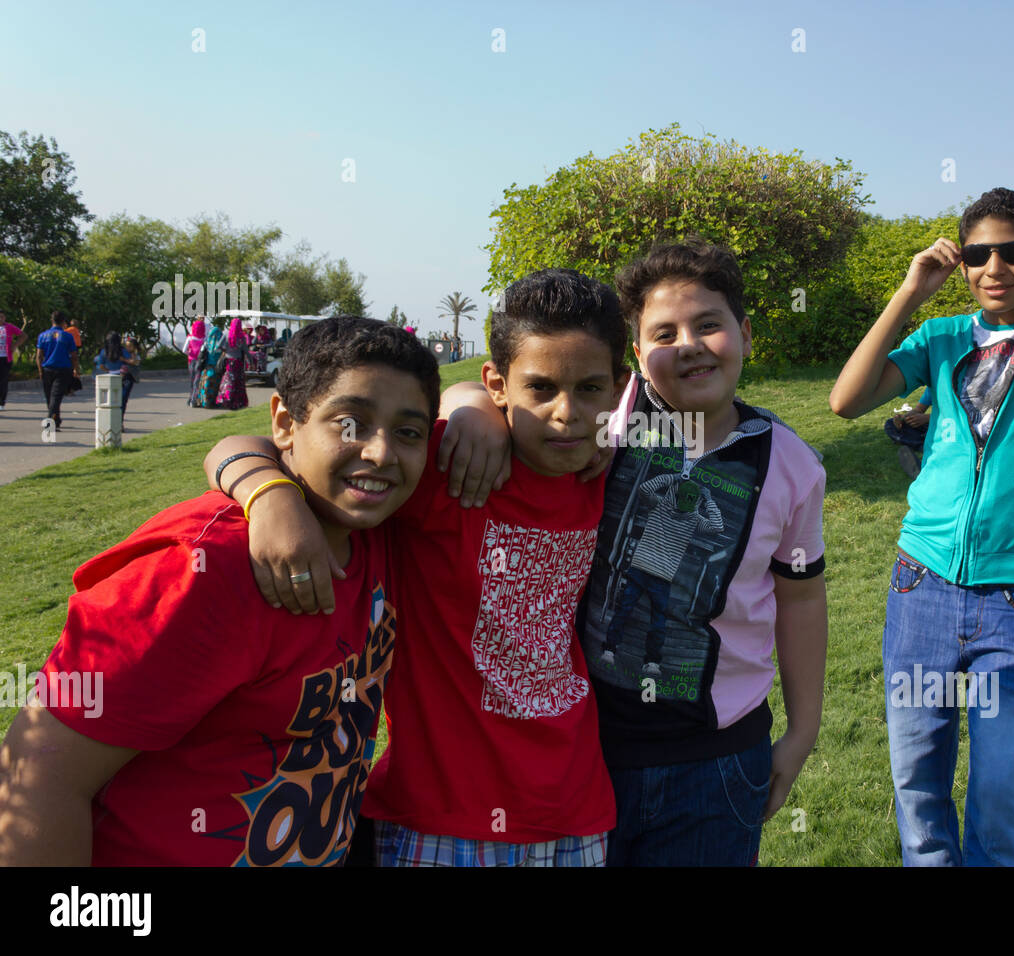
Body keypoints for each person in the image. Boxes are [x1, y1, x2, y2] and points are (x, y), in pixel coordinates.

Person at [201, 269, 626, 867]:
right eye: (540, 388)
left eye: (588, 389)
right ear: (498, 384)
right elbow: (241, 446)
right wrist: (269, 496)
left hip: (576, 812)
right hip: (438, 819)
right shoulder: (450, 467)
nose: (566, 413)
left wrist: (471, 402)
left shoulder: (608, 474)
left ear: (618, 387)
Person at [440, 241, 829, 866]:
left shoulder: (792, 465)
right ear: (638, 358)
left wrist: (802, 731)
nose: (689, 345)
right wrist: (474, 411)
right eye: (663, 333)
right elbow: (514, 389)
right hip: (588, 750)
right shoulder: (604, 415)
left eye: (709, 324)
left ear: (746, 333)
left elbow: (803, 595)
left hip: (720, 758)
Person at [0, 316, 439, 865]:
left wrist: (264, 482)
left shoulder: (381, 531)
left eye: (408, 432)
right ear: (285, 421)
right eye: (349, 424)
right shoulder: (201, 569)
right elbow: (37, 778)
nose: (379, 453)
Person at [829, 187, 1014, 867]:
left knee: (1001, 790)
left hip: (1013, 602)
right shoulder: (940, 339)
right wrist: (910, 293)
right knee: (917, 779)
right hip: (920, 589)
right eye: (977, 254)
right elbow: (845, 399)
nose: (995, 267)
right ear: (960, 263)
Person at [36, 310, 80, 429]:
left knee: (50, 396)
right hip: (63, 370)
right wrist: (76, 369)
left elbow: (39, 356)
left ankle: (53, 418)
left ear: (52, 320)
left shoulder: (43, 335)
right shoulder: (67, 336)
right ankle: (52, 419)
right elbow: (74, 356)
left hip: (47, 369)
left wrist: (40, 370)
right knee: (55, 396)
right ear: (63, 322)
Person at [885, 386, 933, 478]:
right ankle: (924, 446)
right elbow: (918, 410)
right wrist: (902, 418)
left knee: (931, 433)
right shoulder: (932, 388)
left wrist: (926, 418)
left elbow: (955, 417)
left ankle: (923, 447)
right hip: (929, 426)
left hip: (945, 427)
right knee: (890, 424)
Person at [93, 331, 137, 417]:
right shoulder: (123, 350)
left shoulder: (103, 351)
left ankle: (111, 420)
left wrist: (108, 370)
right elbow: (132, 362)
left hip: (109, 377)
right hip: (124, 377)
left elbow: (101, 366)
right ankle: (119, 421)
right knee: (122, 401)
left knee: (110, 401)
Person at [217, 316, 249, 410]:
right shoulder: (241, 336)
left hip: (228, 361)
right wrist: (251, 361)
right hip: (238, 362)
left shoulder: (226, 334)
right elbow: (246, 351)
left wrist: (226, 350)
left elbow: (218, 346)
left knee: (228, 380)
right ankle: (238, 401)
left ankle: (226, 399)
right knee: (237, 382)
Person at [0, 309, 29, 411]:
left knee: (3, 381)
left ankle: (1, 402)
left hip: (5, 358)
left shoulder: (9, 327)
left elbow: (23, 336)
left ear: (5, 318)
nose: (0, 319)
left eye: (2, 317)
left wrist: (15, 345)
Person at [194, 322, 225, 409]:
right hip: (216, 369)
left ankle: (203, 402)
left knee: (205, 385)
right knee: (214, 387)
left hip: (207, 369)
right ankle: (211, 403)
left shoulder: (206, 344)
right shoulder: (220, 346)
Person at [185, 317, 206, 405]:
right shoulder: (204, 339)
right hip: (199, 362)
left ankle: (190, 398)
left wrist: (189, 354)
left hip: (191, 361)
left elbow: (184, 350)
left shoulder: (190, 338)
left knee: (191, 380)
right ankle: (194, 400)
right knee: (197, 381)